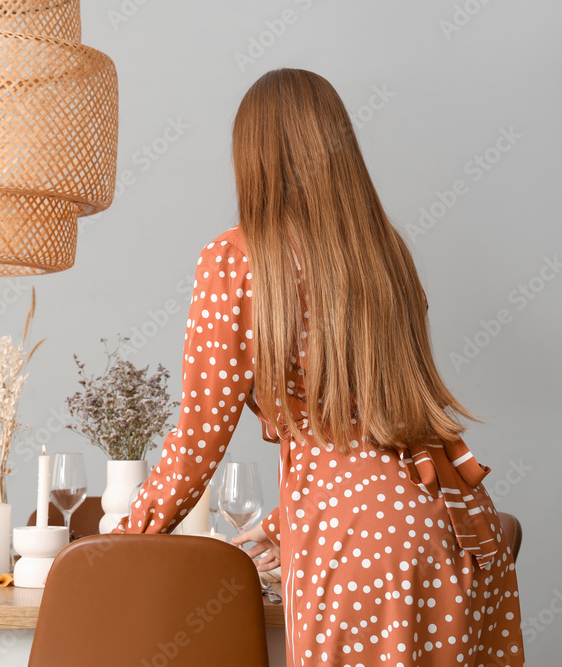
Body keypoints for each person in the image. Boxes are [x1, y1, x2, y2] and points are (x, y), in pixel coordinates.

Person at [113, 69, 524, 666]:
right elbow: (382, 422)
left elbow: (202, 432)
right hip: (461, 526)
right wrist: (283, 522)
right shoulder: (387, 252)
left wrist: (119, 544)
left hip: (360, 544)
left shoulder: (238, 258)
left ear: (252, 156)